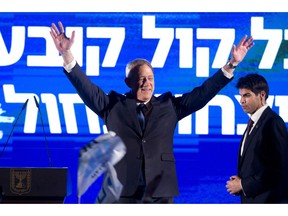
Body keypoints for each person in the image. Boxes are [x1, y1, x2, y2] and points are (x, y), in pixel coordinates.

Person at [50, 21, 254, 203]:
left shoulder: (169, 106)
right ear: (128, 82)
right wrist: (66, 54)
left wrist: (231, 64)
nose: (147, 83)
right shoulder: (112, 105)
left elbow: (203, 93)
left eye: (150, 78)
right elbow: (86, 87)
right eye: (141, 78)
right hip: (123, 192)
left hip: (160, 193)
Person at [226, 73, 288, 203]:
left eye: (247, 95)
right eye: (241, 95)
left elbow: (279, 170)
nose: (242, 100)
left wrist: (243, 185)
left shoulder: (273, 123)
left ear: (262, 95)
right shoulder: (254, 123)